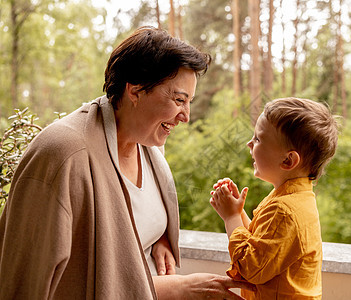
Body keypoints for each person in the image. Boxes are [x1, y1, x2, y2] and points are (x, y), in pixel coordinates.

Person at [0, 26, 254, 299]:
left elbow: (126, 222)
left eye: (189, 101)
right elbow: (23, 283)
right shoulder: (62, 155)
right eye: (179, 100)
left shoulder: (147, 145)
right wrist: (177, 288)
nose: (186, 116)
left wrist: (159, 236)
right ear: (135, 91)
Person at [210, 97, 339, 299]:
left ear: (288, 160)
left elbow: (251, 266)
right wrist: (237, 211)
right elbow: (264, 246)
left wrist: (230, 218)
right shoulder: (297, 197)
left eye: (258, 139)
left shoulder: (284, 209)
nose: (249, 143)